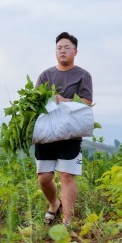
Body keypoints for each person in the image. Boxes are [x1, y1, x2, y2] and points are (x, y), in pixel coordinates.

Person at [35, 32, 93, 227]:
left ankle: (68, 221)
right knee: (44, 178)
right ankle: (54, 204)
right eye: (59, 48)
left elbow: (87, 102)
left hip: (70, 134)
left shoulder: (83, 75)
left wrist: (65, 101)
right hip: (47, 134)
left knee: (67, 176)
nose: (62, 51)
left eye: (67, 48)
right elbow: (35, 101)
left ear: (75, 51)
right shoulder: (46, 75)